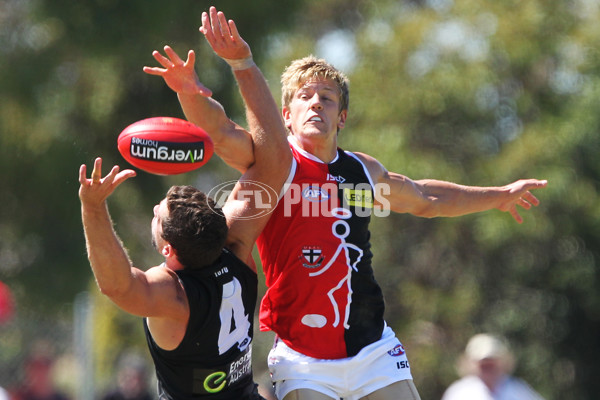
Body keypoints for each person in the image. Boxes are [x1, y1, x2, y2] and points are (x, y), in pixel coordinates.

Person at [151, 7, 547, 400]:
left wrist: (499, 196)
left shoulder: (361, 171)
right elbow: (220, 131)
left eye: (327, 97)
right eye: (305, 97)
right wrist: (189, 89)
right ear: (286, 116)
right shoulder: (273, 164)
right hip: (302, 357)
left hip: (372, 347)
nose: (317, 104)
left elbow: (426, 198)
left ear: (341, 117)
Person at [80, 7, 290, 399]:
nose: (155, 210)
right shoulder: (235, 247)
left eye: (157, 214)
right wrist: (241, 63)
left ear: (168, 250)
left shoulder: (173, 295)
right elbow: (277, 159)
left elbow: (117, 286)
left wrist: (93, 208)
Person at [441, 333, 545, 400]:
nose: (487, 366)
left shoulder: (519, 391)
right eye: (483, 363)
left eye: (491, 361)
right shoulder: (459, 393)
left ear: (502, 362)